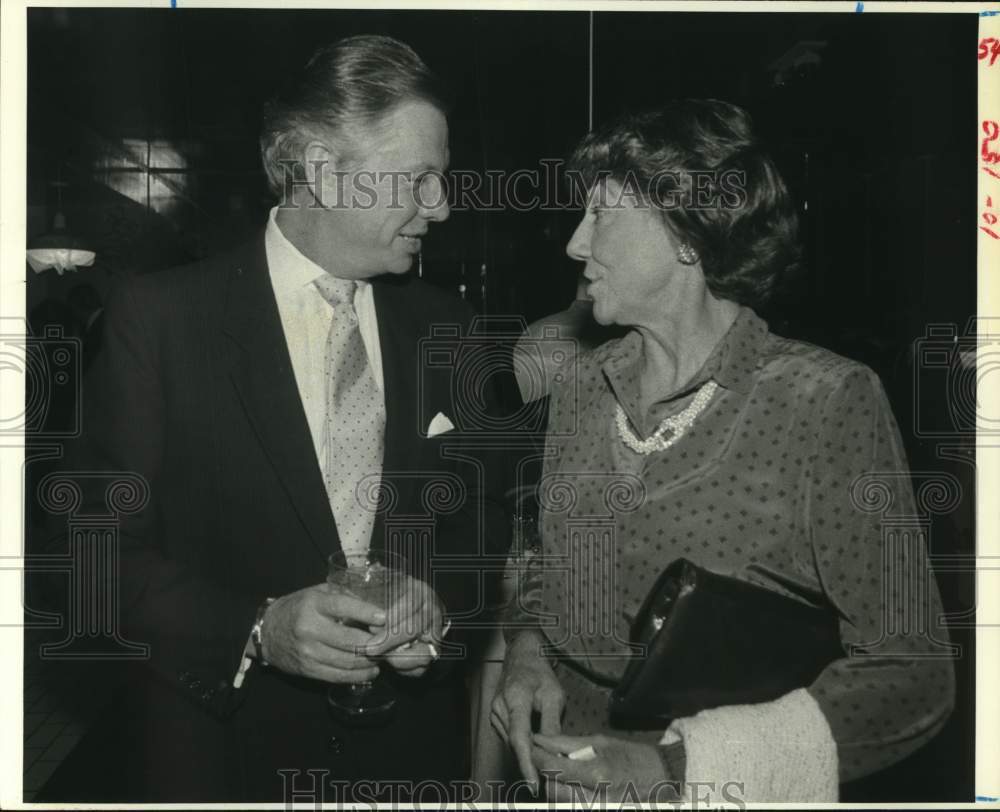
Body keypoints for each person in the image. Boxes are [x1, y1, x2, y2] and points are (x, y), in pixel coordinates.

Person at [39, 35, 507, 802]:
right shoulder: (159, 322)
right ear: (322, 172)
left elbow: (482, 520)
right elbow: (85, 557)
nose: (443, 206)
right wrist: (254, 629)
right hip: (221, 762)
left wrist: (441, 604)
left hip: (407, 764)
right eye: (420, 180)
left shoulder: (446, 325)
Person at [492, 100, 955, 803]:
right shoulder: (581, 385)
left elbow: (913, 674)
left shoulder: (825, 401)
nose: (575, 244)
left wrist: (672, 770)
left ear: (687, 231)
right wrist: (527, 652)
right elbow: (541, 560)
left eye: (603, 214)